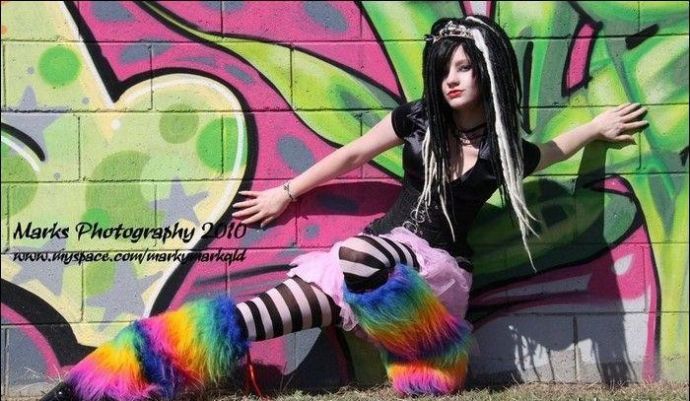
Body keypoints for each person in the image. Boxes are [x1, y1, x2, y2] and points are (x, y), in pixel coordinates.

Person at [41, 15, 647, 401]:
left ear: (489, 71)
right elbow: (352, 152)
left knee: (361, 254)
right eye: (444, 69)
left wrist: (596, 127)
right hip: (367, 261)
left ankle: (432, 355)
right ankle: (104, 379)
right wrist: (286, 192)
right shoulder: (417, 120)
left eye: (465, 68)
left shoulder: (503, 151)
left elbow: (553, 150)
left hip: (430, 278)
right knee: (248, 317)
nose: (451, 79)